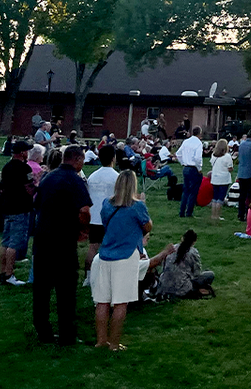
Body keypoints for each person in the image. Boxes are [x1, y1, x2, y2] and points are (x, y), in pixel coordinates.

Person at [33, 145, 92, 346]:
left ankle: (42, 330)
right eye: (82, 160)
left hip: (42, 239)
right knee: (66, 288)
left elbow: (38, 204)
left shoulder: (48, 177)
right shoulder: (75, 180)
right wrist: (83, 230)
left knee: (41, 287)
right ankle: (67, 334)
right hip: (63, 240)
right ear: (76, 159)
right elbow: (84, 210)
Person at [90, 170, 150, 351]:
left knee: (102, 301)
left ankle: (101, 340)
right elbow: (147, 226)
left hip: (105, 253)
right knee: (120, 302)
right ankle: (114, 344)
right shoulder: (137, 207)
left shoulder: (106, 204)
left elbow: (106, 223)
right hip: (126, 255)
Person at [0, 141, 35, 287]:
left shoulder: (6, 167)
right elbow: (29, 187)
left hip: (8, 207)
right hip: (20, 207)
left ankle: (1, 272)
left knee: (5, 241)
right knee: (15, 243)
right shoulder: (24, 168)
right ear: (23, 152)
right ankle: (9, 274)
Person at [85, 141, 121, 286]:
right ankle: (109, 275)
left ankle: (88, 277)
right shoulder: (116, 177)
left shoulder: (92, 176)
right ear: (113, 158)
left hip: (93, 216)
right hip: (110, 217)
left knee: (93, 246)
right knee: (110, 246)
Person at [157, 229, 215, 300]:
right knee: (210, 274)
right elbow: (197, 273)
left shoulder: (172, 249)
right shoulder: (193, 252)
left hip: (164, 286)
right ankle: (200, 290)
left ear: (182, 238)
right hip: (182, 288)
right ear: (194, 242)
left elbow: (163, 267)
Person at [175, 126, 204, 218]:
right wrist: (199, 168)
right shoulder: (198, 143)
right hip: (193, 168)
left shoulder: (186, 141)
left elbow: (178, 154)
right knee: (193, 191)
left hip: (186, 167)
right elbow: (198, 158)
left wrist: (183, 162)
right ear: (199, 133)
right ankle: (189, 212)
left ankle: (182, 211)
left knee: (186, 190)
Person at [208, 139, 233, 222]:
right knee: (220, 198)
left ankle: (213, 215)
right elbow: (230, 168)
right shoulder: (227, 156)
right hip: (224, 179)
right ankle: (217, 215)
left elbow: (212, 164)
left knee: (215, 197)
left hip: (215, 178)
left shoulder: (213, 155)